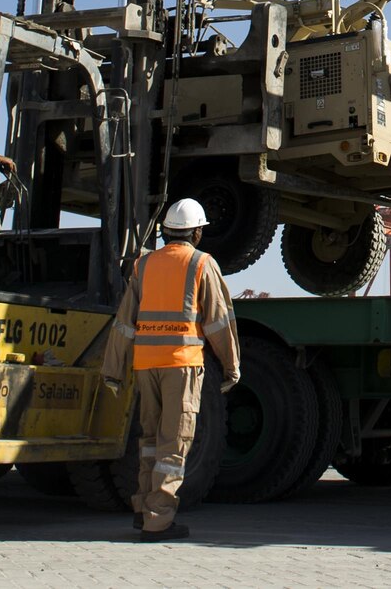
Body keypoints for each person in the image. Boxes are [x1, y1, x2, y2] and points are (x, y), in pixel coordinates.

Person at [101, 198, 242, 542]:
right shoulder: (201, 264)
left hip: (145, 366)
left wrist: (113, 369)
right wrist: (231, 366)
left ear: (165, 232)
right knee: (173, 444)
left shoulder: (144, 265)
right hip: (181, 366)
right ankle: (158, 521)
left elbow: (123, 322)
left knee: (149, 441)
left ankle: (142, 508)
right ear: (196, 232)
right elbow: (219, 322)